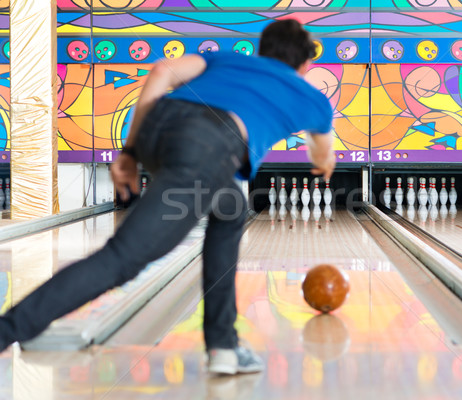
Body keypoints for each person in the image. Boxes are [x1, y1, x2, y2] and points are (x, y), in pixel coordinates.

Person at [0, 19, 335, 375]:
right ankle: (9, 329)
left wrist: (129, 152)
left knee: (231, 210)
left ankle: (224, 344)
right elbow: (321, 153)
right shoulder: (311, 98)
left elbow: (161, 71)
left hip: (159, 124)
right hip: (207, 146)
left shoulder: (225, 60)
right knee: (122, 259)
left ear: (263, 49)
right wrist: (325, 162)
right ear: (305, 65)